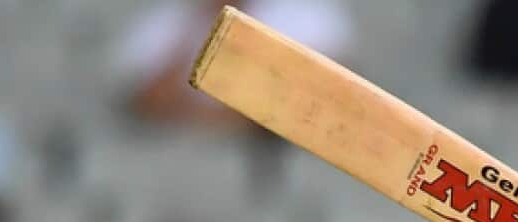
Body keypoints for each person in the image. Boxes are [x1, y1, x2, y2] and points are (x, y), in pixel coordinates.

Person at [114, 0, 353, 129]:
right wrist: (197, 24)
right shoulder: (165, 22)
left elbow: (313, 105)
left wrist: (203, 119)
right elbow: (145, 105)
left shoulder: (308, 18)